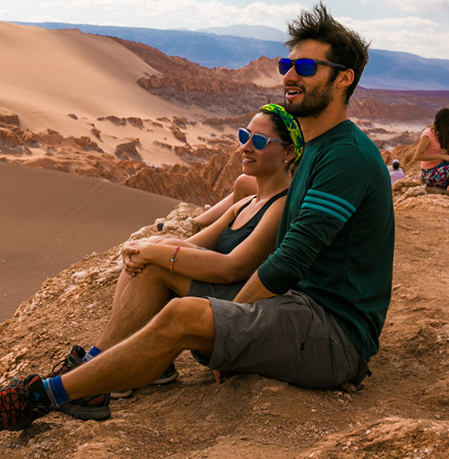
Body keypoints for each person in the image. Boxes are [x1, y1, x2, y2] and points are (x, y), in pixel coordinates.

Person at [0, 2, 395, 439]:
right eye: (287, 63)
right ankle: (94, 379)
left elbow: (290, 260)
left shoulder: (345, 157)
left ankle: (38, 398)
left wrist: (229, 327)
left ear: (343, 78)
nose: (289, 75)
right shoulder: (318, 146)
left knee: (184, 315)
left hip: (334, 334)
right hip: (294, 306)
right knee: (151, 274)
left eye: (305, 67)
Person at [37, 104, 301, 420]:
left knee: (155, 265)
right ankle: (141, 360)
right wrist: (145, 248)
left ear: (288, 153)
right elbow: (188, 246)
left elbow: (233, 267)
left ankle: (95, 369)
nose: (244, 146)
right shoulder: (246, 202)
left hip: (236, 316)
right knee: (159, 249)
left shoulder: (282, 206)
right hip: (220, 298)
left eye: (259, 141)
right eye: (245, 136)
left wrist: (154, 254)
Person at [414, 108, 449, 191]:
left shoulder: (443, 134)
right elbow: (418, 156)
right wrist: (441, 156)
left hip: (442, 168)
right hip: (429, 173)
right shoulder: (428, 134)